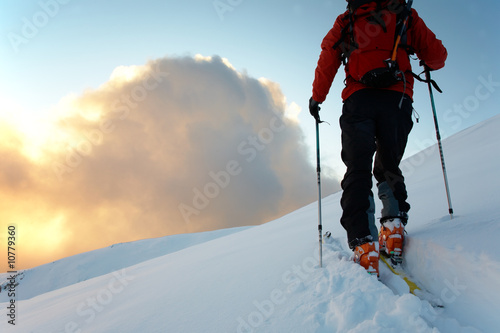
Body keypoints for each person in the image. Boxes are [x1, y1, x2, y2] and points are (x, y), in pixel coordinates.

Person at [309, 0, 447, 276]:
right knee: (388, 162)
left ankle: (363, 242)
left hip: (359, 99)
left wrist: (317, 97)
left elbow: (328, 57)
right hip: (397, 98)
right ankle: (393, 228)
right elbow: (437, 57)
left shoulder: (347, 19)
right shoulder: (405, 12)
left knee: (357, 167)